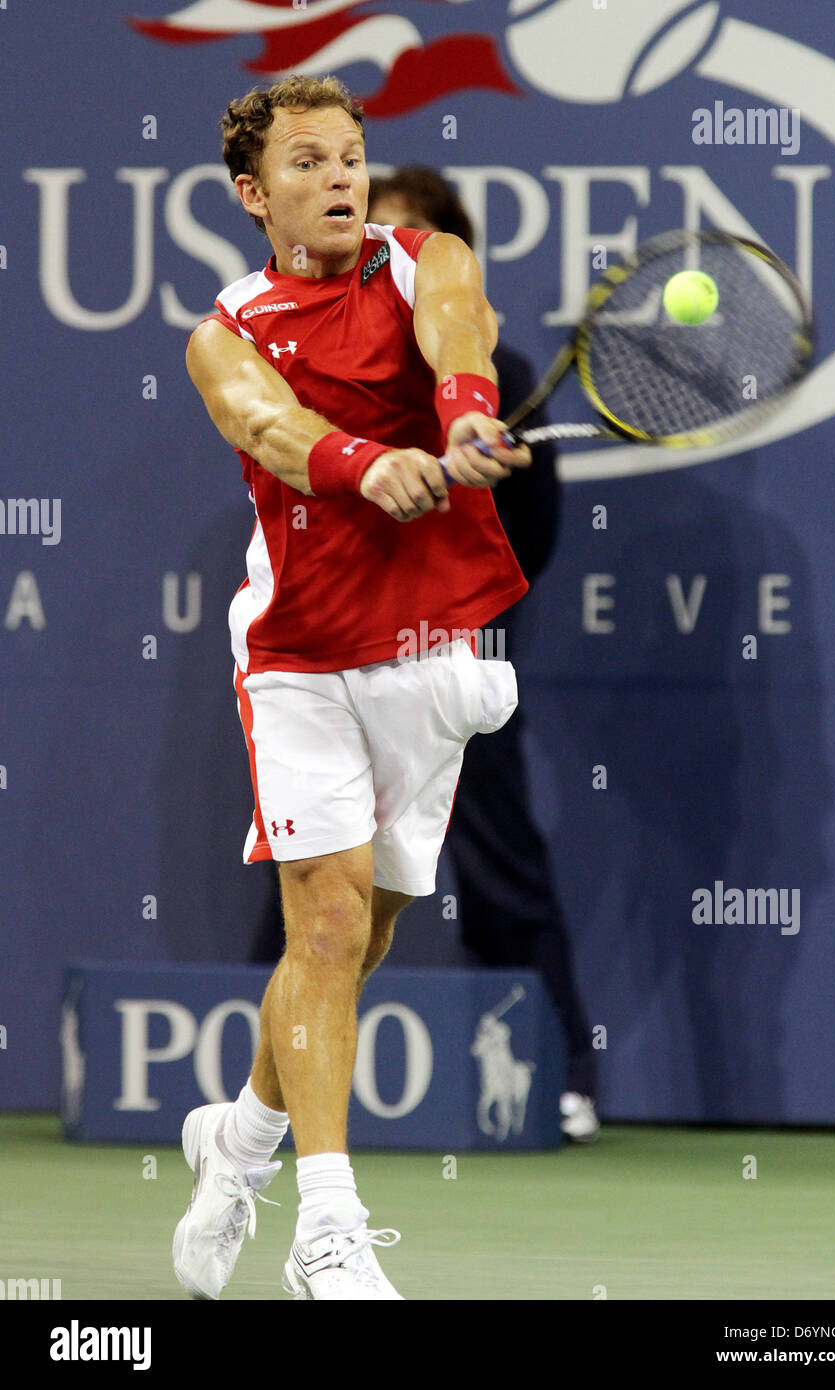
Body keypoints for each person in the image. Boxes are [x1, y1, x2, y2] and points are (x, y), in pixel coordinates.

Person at [172, 74, 531, 1302]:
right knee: (321, 925)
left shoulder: (428, 257)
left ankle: (243, 1142)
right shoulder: (224, 330)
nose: (338, 178)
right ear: (251, 195)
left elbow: (459, 339)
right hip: (302, 655)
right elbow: (268, 428)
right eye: (308, 161)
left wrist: (468, 418)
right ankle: (327, 1227)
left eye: (351, 156)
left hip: (432, 650)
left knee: (368, 932)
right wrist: (364, 465)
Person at [367, 169, 600, 1142]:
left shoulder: (492, 380)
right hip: (339, 659)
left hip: (458, 667)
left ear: (450, 258)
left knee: (504, 875)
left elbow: (528, 545)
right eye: (375, 236)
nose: (389, 254)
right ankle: (278, 1085)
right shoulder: (323, 374)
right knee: (315, 886)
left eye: (411, 238)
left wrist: (463, 505)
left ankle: (561, 1078)